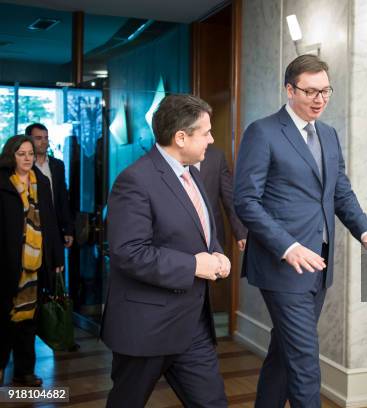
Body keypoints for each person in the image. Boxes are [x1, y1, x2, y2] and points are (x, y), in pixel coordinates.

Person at [234, 55, 367, 407]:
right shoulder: (263, 131)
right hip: (282, 265)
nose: (320, 99)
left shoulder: (330, 135)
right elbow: (246, 201)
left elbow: (340, 191)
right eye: (311, 91)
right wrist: (287, 246)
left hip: (319, 264)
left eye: (326, 91)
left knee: (285, 352)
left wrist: (365, 231)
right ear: (290, 90)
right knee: (305, 360)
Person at [101, 94, 230, 408]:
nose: (212, 139)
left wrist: (217, 252)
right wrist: (193, 265)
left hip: (193, 326)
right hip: (146, 327)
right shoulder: (134, 180)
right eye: (206, 132)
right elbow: (127, 252)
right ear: (181, 137)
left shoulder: (193, 174)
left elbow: (199, 229)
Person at [0, 135, 65, 387]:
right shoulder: (3, 183)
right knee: (4, 318)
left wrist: (57, 257)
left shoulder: (42, 182)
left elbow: (51, 222)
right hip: (8, 262)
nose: (27, 158)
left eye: (29, 153)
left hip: (36, 264)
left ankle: (24, 372)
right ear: (11, 156)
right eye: (21, 154)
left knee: (29, 319)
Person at [25, 123, 74, 249]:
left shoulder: (57, 165)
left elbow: (62, 198)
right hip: (29, 226)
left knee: (55, 266)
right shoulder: (24, 164)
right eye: (38, 138)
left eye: (46, 138)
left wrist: (68, 229)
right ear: (28, 139)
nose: (44, 142)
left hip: (53, 225)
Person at [197, 145, 247, 251]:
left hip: (213, 237)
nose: (211, 139)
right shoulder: (168, 156)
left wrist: (241, 232)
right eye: (205, 133)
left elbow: (229, 197)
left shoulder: (216, 156)